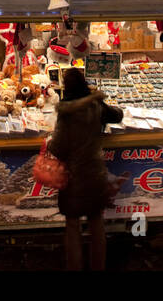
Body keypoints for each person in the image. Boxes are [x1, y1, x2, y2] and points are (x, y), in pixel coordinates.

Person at [46, 68, 123, 270]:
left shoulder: (66, 112)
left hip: (73, 177)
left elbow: (58, 147)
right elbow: (117, 115)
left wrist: (49, 143)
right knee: (97, 224)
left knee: (72, 225)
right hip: (95, 173)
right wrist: (96, 97)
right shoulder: (95, 105)